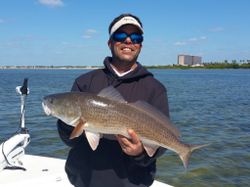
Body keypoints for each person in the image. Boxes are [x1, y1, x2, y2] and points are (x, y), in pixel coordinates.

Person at [57, 13, 170, 187]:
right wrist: (66, 123)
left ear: (140, 44)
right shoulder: (84, 82)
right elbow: (71, 141)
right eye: (120, 35)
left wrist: (140, 152)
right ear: (110, 42)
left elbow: (162, 142)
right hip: (85, 181)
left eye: (135, 36)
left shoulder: (155, 89)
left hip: (132, 182)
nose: (128, 41)